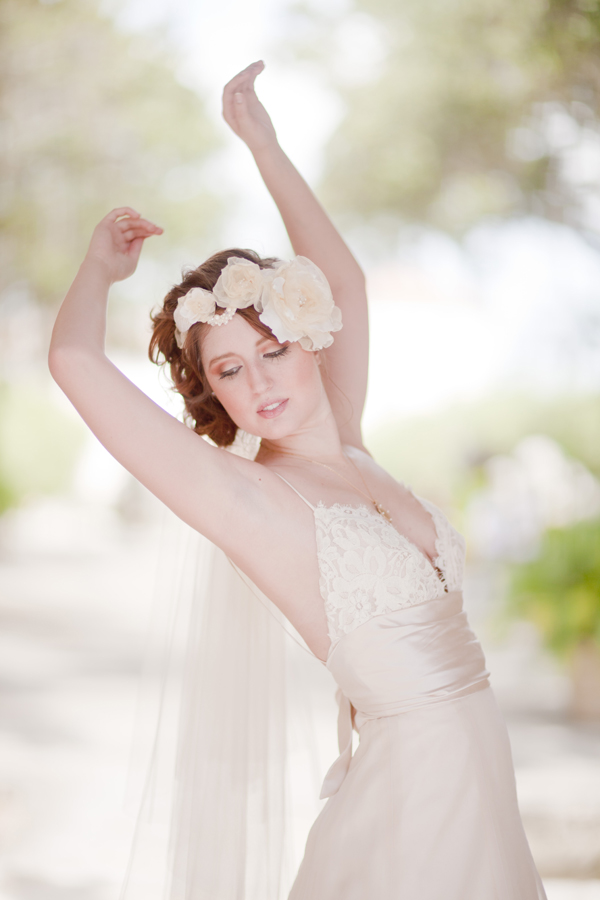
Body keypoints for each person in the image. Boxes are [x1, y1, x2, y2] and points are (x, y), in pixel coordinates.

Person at [49, 61, 547, 899]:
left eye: (273, 351)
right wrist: (99, 271)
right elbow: (72, 360)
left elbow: (342, 278)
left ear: (310, 339)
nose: (261, 385)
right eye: (231, 371)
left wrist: (263, 143)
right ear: (213, 389)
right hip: (408, 808)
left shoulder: (346, 437)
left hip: (477, 784)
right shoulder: (249, 499)